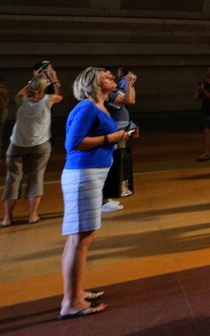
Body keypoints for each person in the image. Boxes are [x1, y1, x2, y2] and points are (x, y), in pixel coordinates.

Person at [59, 67, 138, 319]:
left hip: (92, 174)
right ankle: (71, 302)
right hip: (83, 175)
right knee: (80, 238)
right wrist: (111, 137)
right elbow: (73, 143)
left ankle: (75, 292)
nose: (111, 78)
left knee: (81, 236)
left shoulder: (101, 107)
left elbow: (102, 135)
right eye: (105, 75)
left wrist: (120, 135)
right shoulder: (87, 107)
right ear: (91, 82)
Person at [1, 64, 63, 226]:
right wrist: (53, 78)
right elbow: (59, 95)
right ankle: (32, 216)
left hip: (17, 143)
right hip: (40, 144)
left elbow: (21, 92)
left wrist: (34, 79)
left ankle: (7, 218)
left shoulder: (21, 100)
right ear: (44, 89)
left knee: (12, 179)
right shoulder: (48, 100)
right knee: (36, 177)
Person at [101, 67, 136, 212]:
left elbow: (131, 100)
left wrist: (130, 85)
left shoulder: (113, 92)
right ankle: (102, 201)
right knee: (108, 166)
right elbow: (128, 99)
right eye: (107, 76)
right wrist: (128, 84)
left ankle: (107, 197)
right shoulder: (108, 95)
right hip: (114, 131)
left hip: (120, 130)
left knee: (113, 165)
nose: (113, 78)